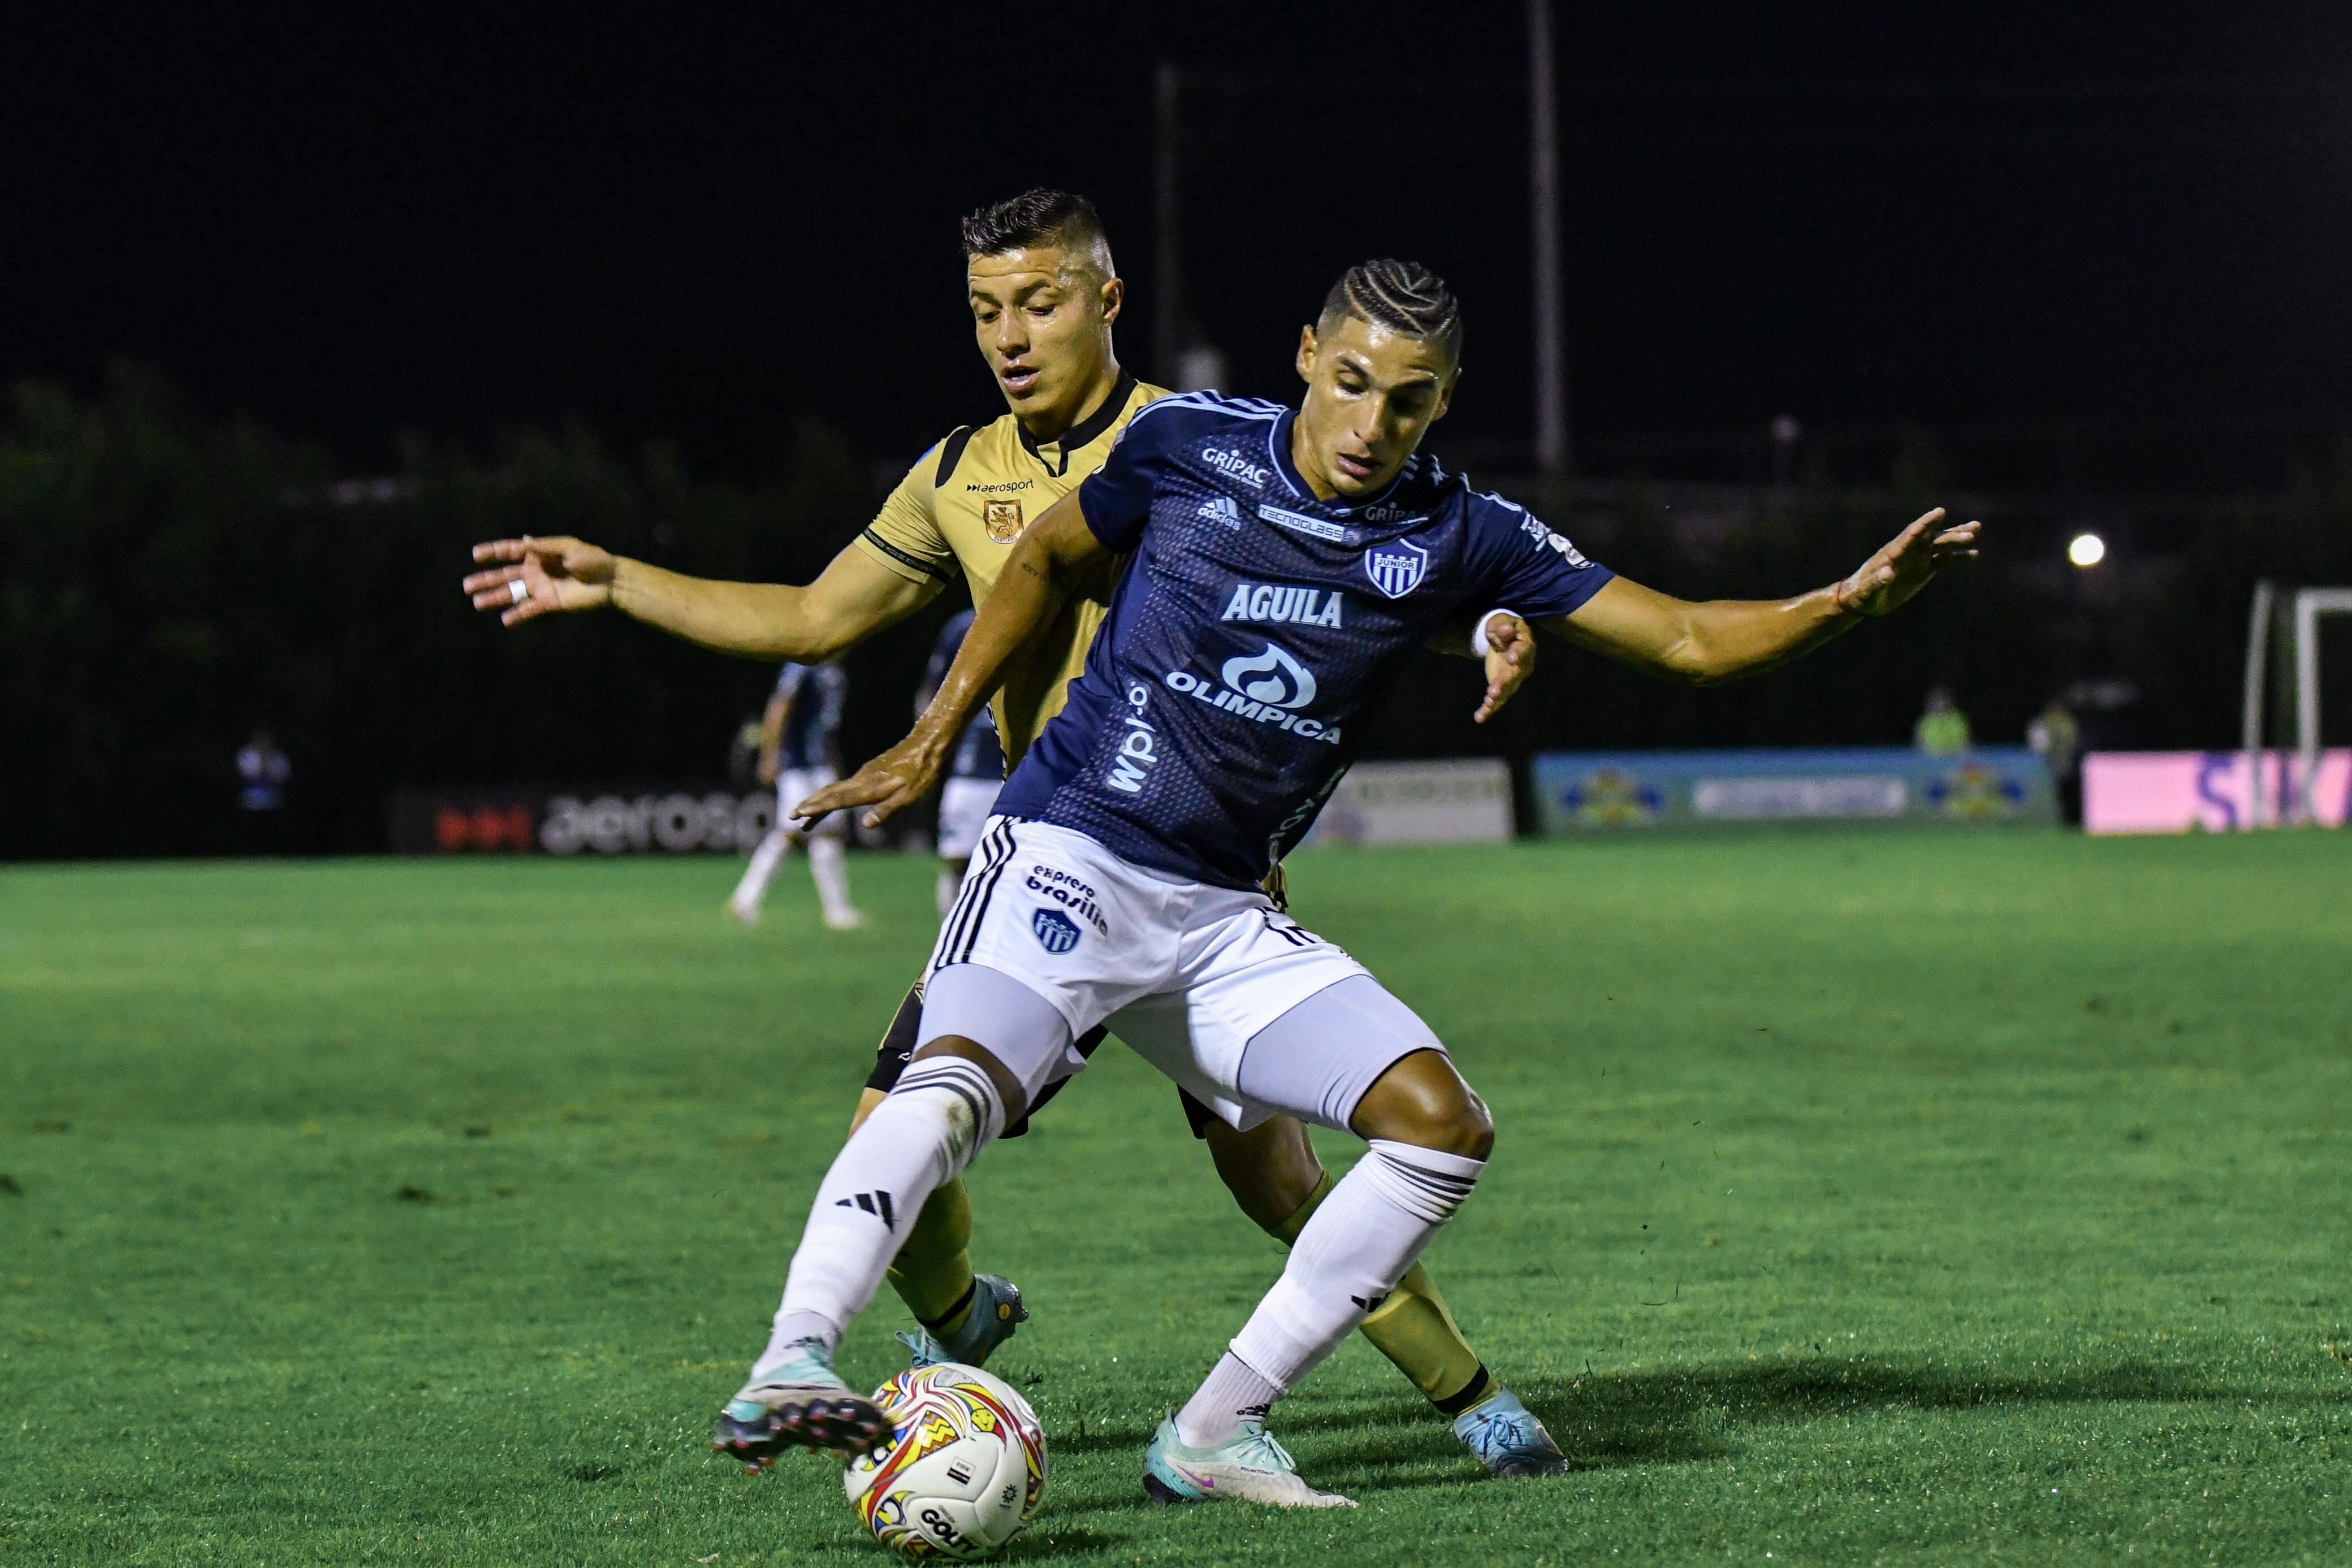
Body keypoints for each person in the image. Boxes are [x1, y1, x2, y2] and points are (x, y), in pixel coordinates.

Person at [742, 258, 1981, 1507]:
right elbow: (1045, 562)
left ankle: (1215, 1431)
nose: (1371, 424)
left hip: (1224, 916)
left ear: (1442, 403)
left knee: (1441, 1126)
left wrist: (1845, 603)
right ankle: (796, 1354)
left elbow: (1686, 637)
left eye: (1409, 400)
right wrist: (931, 732)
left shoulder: (1462, 530)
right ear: (1304, 358)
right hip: (1073, 852)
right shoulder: (1186, 445)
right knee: (946, 1090)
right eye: (1351, 384)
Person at [460, 193, 1560, 1476]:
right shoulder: (958, 473)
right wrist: (614, 580)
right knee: (896, 1122)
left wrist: (1484, 624)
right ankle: (960, 1318)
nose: (1010, 335)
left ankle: (1469, 1394)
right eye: (986, 309)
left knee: (1275, 1180)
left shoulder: (1207, 441)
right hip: (1052, 870)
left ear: (1107, 301)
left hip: (1205, 885)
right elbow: (814, 617)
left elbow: (1370, 576)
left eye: (1039, 302)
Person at [729, 660, 862, 929]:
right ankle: (745, 899)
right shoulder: (802, 668)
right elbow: (779, 709)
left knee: (827, 834)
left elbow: (826, 728)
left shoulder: (835, 672)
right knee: (788, 833)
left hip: (821, 766)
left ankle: (837, 910)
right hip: (798, 767)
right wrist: (769, 756)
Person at [919, 609, 1007, 917]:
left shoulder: (1049, 613)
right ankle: (949, 943)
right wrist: (925, 748)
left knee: (1015, 866)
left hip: (1018, 773)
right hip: (968, 773)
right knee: (958, 861)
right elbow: (931, 691)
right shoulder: (962, 627)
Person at [2027, 698, 2082, 824]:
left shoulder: (2051, 721)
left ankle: (2069, 819)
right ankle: (2067, 818)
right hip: (2057, 760)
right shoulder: (2063, 721)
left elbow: (2037, 743)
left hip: (2059, 760)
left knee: (2064, 791)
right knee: (2062, 791)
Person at [236, 729, 290, 854]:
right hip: (253, 800)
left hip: (272, 800)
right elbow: (248, 774)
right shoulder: (247, 755)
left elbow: (282, 776)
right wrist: (262, 762)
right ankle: (250, 855)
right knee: (252, 831)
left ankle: (271, 855)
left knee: (271, 831)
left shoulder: (277, 756)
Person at [1914, 685, 1971, 755]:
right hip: (1932, 761)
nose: (1941, 703)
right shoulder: (1925, 722)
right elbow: (1919, 746)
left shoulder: (1960, 720)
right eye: (1938, 700)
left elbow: (1967, 743)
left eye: (1944, 700)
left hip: (1956, 759)